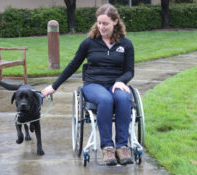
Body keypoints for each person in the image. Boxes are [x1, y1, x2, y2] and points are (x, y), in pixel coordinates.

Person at [41, 3, 134, 166]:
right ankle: (107, 148)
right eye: (99, 23)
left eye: (105, 23)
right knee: (105, 100)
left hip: (115, 84)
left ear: (115, 22)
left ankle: (122, 146)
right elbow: (73, 65)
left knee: (123, 98)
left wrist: (120, 81)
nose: (101, 27)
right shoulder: (89, 43)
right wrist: (54, 86)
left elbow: (129, 71)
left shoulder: (126, 44)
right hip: (94, 84)